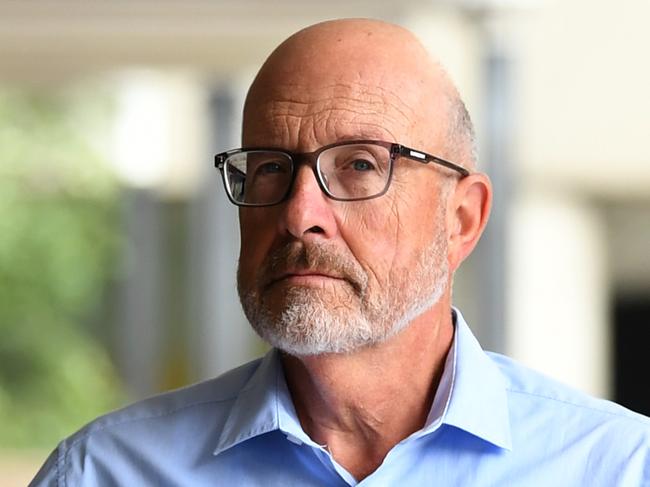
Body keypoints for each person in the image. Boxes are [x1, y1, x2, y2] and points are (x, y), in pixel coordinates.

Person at [31, 19, 649, 486]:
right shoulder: (104, 473)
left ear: (462, 219)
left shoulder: (617, 468)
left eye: (359, 165)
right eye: (270, 168)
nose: (300, 214)